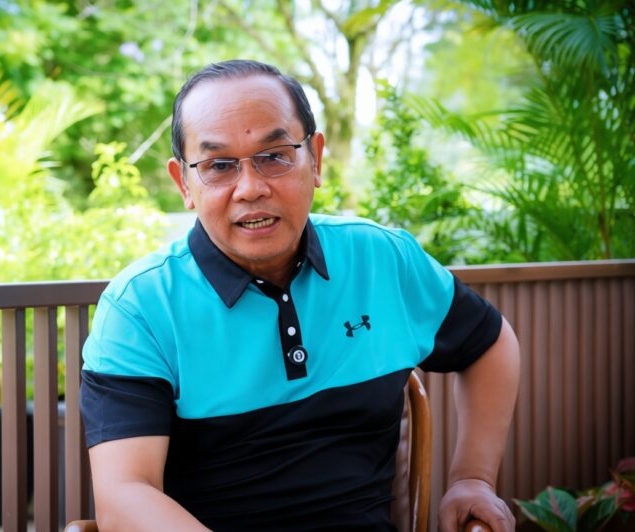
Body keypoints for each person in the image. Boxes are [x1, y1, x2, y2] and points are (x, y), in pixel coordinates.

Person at [80, 60, 520, 531]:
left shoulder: (381, 260)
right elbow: (124, 495)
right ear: (184, 183)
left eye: (274, 156)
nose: (250, 188)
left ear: (317, 159)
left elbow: (490, 344)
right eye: (218, 166)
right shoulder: (140, 307)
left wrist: (472, 478)